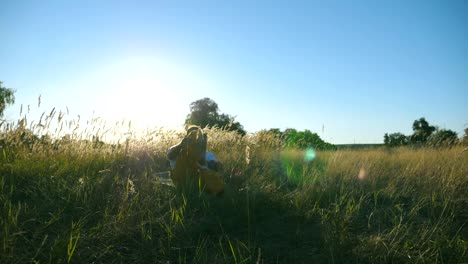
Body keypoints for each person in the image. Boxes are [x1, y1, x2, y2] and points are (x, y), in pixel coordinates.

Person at [167, 126, 224, 194]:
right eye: (192, 136)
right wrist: (181, 145)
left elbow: (214, 166)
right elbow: (170, 156)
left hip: (200, 181)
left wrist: (203, 150)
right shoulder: (178, 150)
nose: (195, 139)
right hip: (181, 180)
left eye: (198, 136)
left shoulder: (208, 154)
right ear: (186, 137)